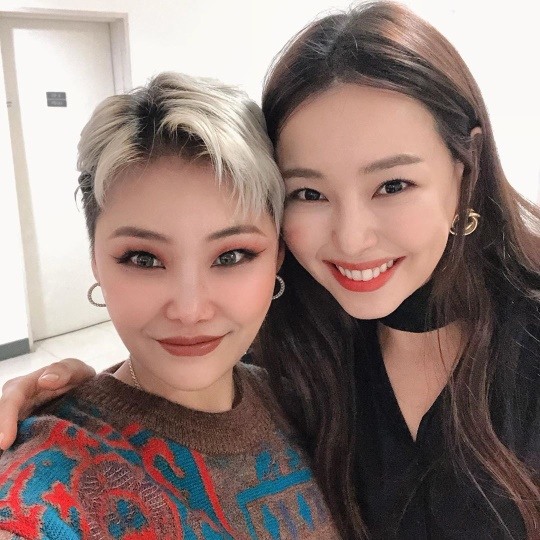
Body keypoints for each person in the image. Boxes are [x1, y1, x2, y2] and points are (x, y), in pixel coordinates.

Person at [1, 2, 539, 539]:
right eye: (308, 192)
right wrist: (75, 399)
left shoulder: (526, 335)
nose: (351, 239)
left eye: (393, 185)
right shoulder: (294, 343)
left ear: (464, 167)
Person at [0, 72, 340, 539]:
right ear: (96, 260)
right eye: (143, 258)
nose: (190, 309)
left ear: (278, 256)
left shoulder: (305, 402)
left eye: (231, 256)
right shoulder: (49, 478)